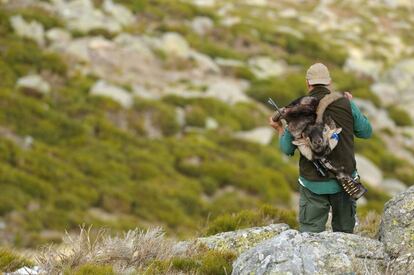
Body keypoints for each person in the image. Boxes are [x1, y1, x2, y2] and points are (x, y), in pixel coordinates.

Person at [269, 63, 372, 233]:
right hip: (345, 180)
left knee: (309, 235)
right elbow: (366, 132)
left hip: (312, 183)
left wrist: (280, 129)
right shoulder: (346, 103)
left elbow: (287, 149)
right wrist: (351, 107)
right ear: (329, 82)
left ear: (308, 83)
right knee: (344, 235)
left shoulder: (295, 109)